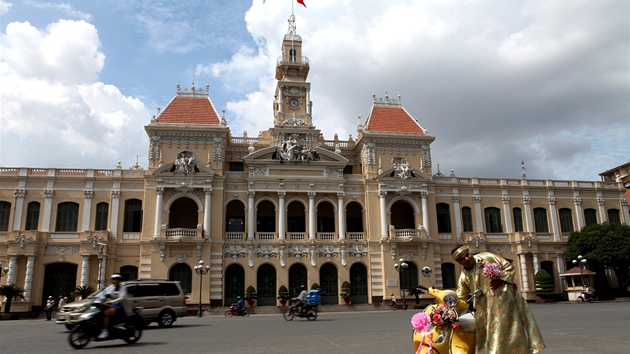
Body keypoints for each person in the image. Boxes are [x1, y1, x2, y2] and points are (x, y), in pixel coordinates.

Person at [452, 244, 546, 353]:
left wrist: (500, 279)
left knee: (512, 332)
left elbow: (509, 268)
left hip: (505, 302)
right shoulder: (464, 277)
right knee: (492, 337)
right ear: (459, 262)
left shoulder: (488, 257)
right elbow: (460, 298)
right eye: (462, 259)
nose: (467, 259)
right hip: (485, 310)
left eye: (467, 255)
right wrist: (450, 314)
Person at [98, 274, 131, 339]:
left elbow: (121, 298)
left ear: (119, 281)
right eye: (113, 279)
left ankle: (105, 331)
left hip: (121, 307)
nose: (115, 281)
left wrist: (110, 302)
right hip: (112, 306)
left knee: (106, 313)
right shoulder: (111, 287)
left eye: (116, 279)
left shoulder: (123, 288)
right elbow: (105, 295)